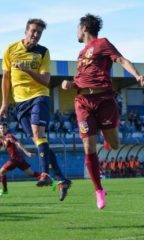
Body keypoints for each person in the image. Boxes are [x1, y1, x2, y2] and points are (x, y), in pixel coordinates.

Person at [61, 14, 144, 209]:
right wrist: (69, 84)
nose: (76, 32)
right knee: (89, 147)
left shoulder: (102, 43)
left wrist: (138, 76)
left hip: (104, 100)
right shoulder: (81, 54)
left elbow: (121, 60)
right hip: (83, 101)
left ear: (84, 28)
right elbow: (81, 80)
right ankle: (99, 190)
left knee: (114, 145)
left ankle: (106, 133)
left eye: (77, 28)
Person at [0, 18, 72, 201]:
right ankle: (62, 179)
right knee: (41, 142)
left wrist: (27, 70)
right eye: (33, 31)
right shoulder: (10, 49)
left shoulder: (43, 52)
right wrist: (4, 103)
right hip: (20, 103)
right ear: (26, 31)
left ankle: (45, 175)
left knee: (39, 134)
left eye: (39, 32)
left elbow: (46, 80)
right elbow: (6, 78)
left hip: (39, 96)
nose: (36, 35)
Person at [0, 122, 42, 195]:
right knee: (31, 173)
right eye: (1, 128)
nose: (2, 129)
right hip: (19, 160)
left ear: (6, 128)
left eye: (4, 128)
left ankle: (5, 190)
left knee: (1, 172)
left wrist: (27, 152)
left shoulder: (9, 136)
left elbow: (18, 143)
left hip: (14, 159)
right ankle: (47, 178)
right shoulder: (2, 138)